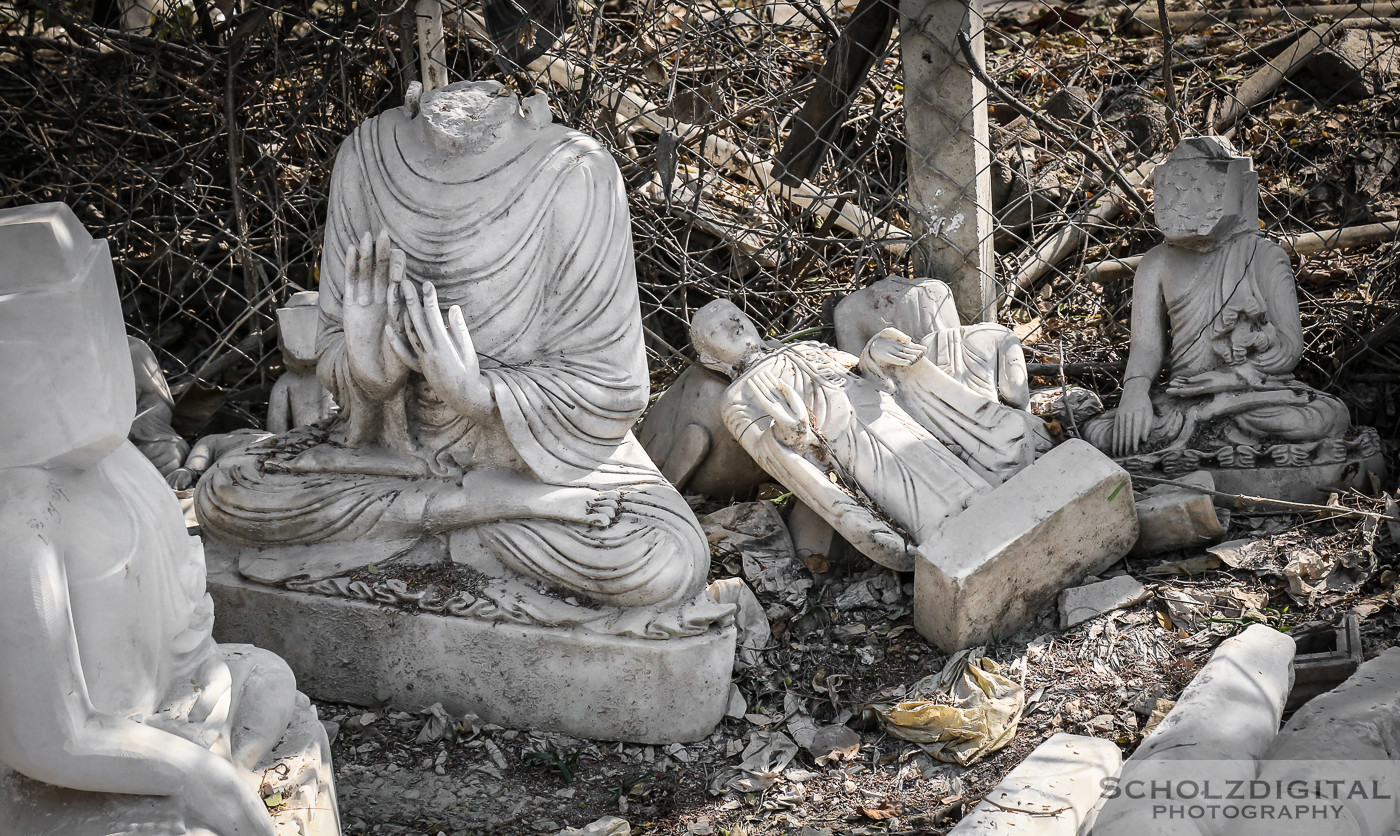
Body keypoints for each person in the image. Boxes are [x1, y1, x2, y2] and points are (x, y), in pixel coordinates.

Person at [196, 82, 707, 610]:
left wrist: (476, 393)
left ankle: (455, 513)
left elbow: (614, 387)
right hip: (391, 460)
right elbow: (333, 354)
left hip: (532, 462)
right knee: (226, 495)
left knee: (658, 560)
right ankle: (475, 509)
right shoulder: (367, 152)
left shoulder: (576, 169)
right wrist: (369, 374)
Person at [0, 203, 326, 836]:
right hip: (88, 756)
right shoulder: (20, 524)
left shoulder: (116, 459)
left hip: (178, 706)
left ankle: (213, 761)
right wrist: (194, 775)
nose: (111, 363)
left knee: (267, 678)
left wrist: (197, 698)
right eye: (76, 347)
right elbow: (45, 741)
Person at [1083, 137, 1349, 457]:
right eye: (1171, 191)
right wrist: (1135, 393)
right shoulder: (1156, 262)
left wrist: (1228, 379)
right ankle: (1215, 438)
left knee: (1322, 417)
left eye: (1196, 190)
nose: (1179, 202)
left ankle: (1203, 439)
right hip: (1183, 398)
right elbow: (1146, 347)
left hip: (1253, 393)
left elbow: (1289, 349)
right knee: (1102, 431)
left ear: (1235, 190)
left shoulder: (1263, 255)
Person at [691, 300, 992, 571]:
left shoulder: (806, 348)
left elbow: (858, 372)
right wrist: (787, 433)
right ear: (710, 360)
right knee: (911, 495)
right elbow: (766, 451)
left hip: (883, 414)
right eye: (717, 329)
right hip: (847, 446)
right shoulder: (737, 397)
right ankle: (950, 548)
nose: (734, 325)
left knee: (931, 460)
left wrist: (875, 356)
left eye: (736, 315)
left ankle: (989, 509)